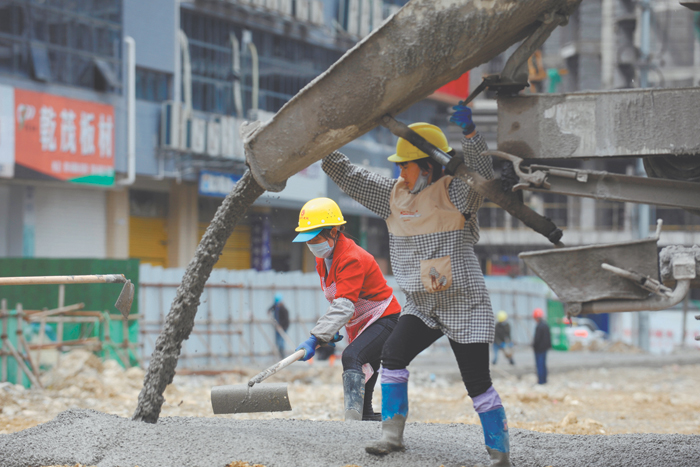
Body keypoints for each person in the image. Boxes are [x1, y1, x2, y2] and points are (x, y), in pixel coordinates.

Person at [321, 104, 511, 466]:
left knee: (477, 383)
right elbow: (351, 177)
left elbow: (483, 178)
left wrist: (470, 136)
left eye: (404, 165)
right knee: (393, 355)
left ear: (427, 166)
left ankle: (499, 454)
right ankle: (391, 437)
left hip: (462, 303)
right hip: (421, 305)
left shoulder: (456, 194)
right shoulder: (392, 197)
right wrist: (320, 149)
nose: (399, 172)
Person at [293, 197, 401, 421]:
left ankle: (351, 425)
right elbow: (340, 301)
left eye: (315, 238)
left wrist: (316, 338)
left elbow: (344, 304)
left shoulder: (351, 258)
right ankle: (366, 419)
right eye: (307, 240)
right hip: (361, 321)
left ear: (333, 232)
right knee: (363, 376)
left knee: (352, 356)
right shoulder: (324, 259)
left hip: (384, 318)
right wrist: (330, 330)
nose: (311, 244)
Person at [532, 307, 551, 385]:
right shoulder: (546, 325)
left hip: (539, 349)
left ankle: (541, 381)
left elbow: (537, 339)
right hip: (545, 348)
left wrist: (533, 346)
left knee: (539, 365)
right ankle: (544, 379)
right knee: (543, 364)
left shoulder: (539, 326)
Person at [268, 294, 290, 358]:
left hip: (283, 328)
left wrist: (281, 326)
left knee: (281, 343)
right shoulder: (276, 307)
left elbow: (286, 320)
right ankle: (280, 356)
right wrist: (269, 311)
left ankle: (282, 356)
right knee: (277, 342)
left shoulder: (284, 310)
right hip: (277, 328)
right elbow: (271, 308)